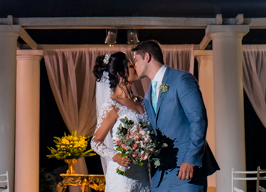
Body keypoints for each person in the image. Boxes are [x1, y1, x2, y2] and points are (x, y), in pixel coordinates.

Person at [131, 40, 218, 192]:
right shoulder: (147, 95)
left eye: (135, 60)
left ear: (147, 57)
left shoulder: (182, 80)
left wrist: (190, 159)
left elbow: (198, 120)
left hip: (186, 172)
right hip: (160, 177)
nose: (134, 66)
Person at [91, 52, 152, 192]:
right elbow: (95, 141)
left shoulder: (141, 101)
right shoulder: (112, 105)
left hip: (143, 173)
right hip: (123, 175)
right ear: (121, 72)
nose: (135, 68)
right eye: (131, 65)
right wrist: (115, 156)